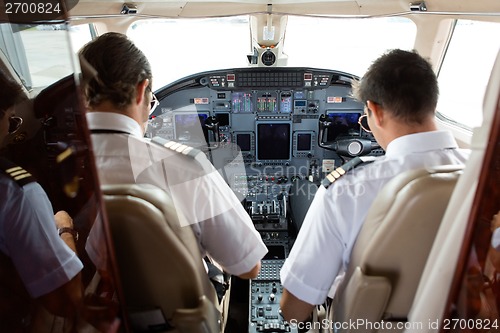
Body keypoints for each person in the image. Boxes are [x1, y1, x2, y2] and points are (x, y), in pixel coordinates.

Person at [279, 49, 470, 322]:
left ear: (376, 112)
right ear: (433, 104)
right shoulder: (485, 177)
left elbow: (294, 311)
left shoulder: (345, 190)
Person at [78, 33, 266, 281]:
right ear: (140, 90)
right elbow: (248, 267)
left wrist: (66, 231)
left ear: (83, 96)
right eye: (151, 101)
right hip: (184, 313)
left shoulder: (64, 161)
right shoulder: (184, 168)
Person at [0, 69, 83, 330]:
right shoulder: (16, 192)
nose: (10, 134)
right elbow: (67, 300)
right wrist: (64, 229)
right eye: (11, 122)